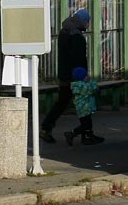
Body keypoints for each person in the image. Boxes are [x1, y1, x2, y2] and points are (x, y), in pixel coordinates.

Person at [40, 9, 104, 145]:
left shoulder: (65, 32)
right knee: (84, 102)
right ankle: (85, 134)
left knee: (63, 102)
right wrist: (83, 75)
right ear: (82, 21)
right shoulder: (77, 37)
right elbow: (78, 59)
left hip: (64, 74)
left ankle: (47, 128)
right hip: (75, 77)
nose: (87, 25)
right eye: (87, 22)